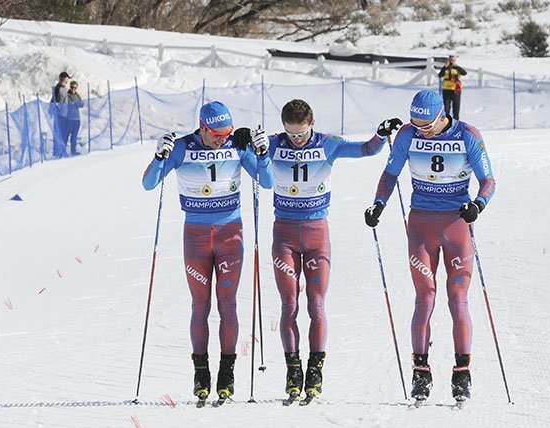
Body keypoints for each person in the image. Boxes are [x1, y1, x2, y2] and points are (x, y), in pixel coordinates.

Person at [264, 98, 402, 403]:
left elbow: (367, 149)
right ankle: (293, 370)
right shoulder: (274, 144)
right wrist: (245, 138)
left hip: (316, 235)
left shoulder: (328, 143)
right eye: (290, 134)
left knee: (316, 305)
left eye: (301, 134)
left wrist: (380, 134)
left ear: (312, 124)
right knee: (289, 305)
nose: (296, 141)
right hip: (284, 233)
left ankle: (315, 370)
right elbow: (241, 154)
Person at [364, 90, 495, 403]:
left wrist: (478, 205)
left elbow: (488, 180)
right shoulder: (408, 136)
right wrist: (378, 204)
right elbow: (390, 174)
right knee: (425, 296)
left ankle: (462, 373)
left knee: (457, 298)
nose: (421, 130)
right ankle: (420, 371)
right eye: (416, 124)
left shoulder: (468, 135)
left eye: (427, 125)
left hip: (456, 224)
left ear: (442, 116)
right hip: (421, 224)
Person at [141, 101, 274, 405]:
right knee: (200, 306)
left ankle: (227, 374)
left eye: (226, 132)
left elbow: (266, 182)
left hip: (230, 234)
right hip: (197, 236)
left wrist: (261, 154)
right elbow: (149, 184)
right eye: (216, 134)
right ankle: (201, 373)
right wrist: (159, 155)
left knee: (227, 305)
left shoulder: (235, 145)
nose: (221, 139)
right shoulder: (182, 148)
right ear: (202, 127)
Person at [438, 55, 467, 120]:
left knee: (456, 109)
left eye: (453, 60)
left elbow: (464, 73)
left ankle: (456, 123)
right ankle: (446, 123)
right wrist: (445, 67)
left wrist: (456, 66)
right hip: (446, 91)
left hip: (456, 91)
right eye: (450, 60)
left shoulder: (457, 68)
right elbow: (440, 75)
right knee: (446, 109)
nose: (451, 62)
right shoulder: (445, 68)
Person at [50, 71, 70, 157]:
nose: (68, 80)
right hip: (60, 115)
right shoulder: (58, 88)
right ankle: (58, 153)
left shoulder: (63, 88)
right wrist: (57, 111)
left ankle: (61, 152)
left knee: (63, 133)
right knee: (60, 133)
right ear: (64, 78)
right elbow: (55, 101)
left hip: (63, 114)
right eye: (67, 78)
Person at [66, 80, 84, 156]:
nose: (73, 89)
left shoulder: (77, 95)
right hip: (69, 119)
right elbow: (68, 104)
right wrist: (75, 104)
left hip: (76, 118)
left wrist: (76, 104)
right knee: (66, 135)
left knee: (74, 136)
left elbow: (82, 104)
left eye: (75, 87)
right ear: (70, 87)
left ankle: (73, 151)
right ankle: (62, 151)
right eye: (72, 87)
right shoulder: (67, 95)